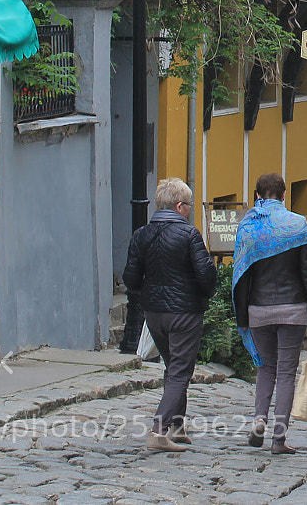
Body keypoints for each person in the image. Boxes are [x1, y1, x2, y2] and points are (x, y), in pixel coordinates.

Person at [122, 177, 217, 452]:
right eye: (188, 204)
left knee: (172, 366)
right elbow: (206, 275)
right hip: (185, 312)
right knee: (179, 372)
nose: (190, 210)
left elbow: (131, 277)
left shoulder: (141, 234)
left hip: (154, 314)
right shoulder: (189, 235)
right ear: (179, 206)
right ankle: (158, 430)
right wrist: (204, 295)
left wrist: (147, 295)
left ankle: (176, 426)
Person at [232, 173, 307, 456]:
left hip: (258, 309)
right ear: (284, 195)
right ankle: (278, 439)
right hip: (293, 310)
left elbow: (241, 275)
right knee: (285, 374)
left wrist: (243, 317)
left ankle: (259, 418)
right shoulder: (297, 225)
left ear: (258, 195)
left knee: (266, 368)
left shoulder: (248, 228)